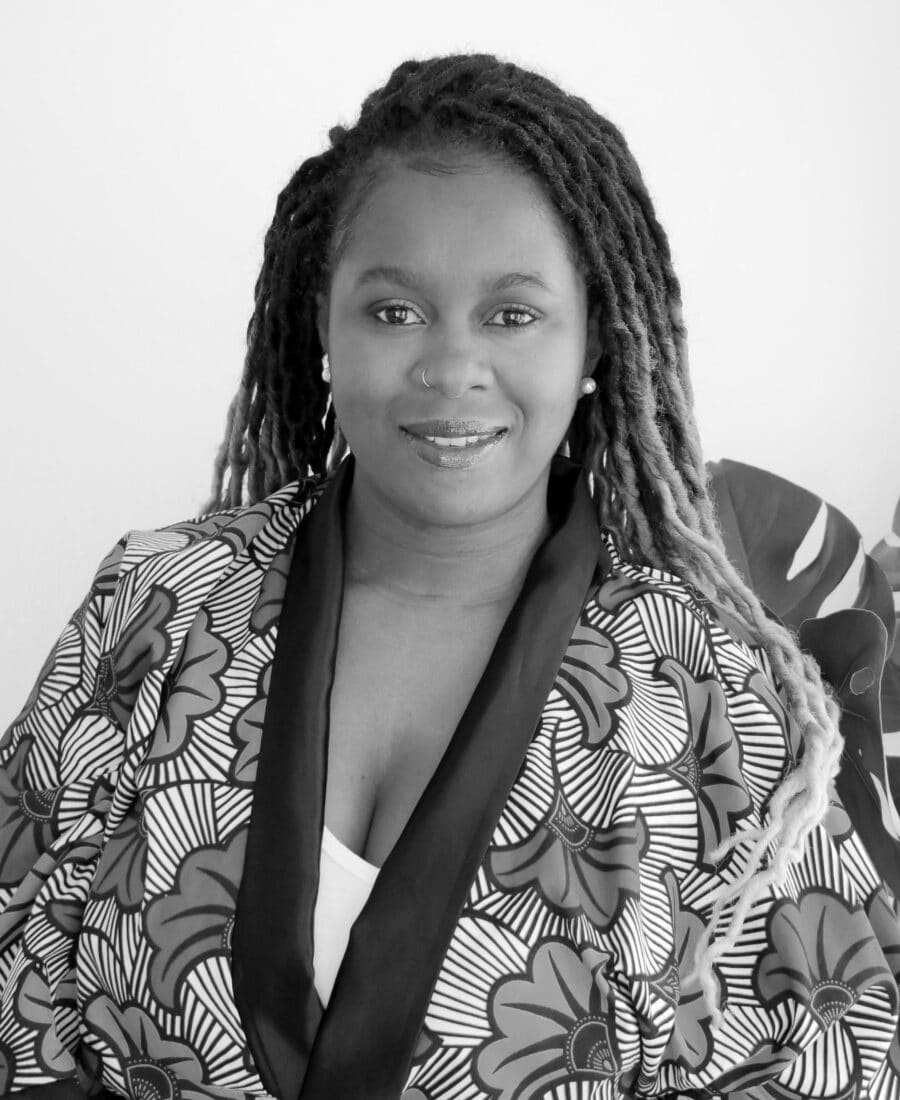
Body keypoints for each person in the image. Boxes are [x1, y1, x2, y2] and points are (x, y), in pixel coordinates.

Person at [1, 52, 898, 1100]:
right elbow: (21, 992)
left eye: (512, 313)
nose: (450, 367)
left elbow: (827, 1062)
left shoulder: (712, 696)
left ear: (596, 340)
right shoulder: (155, 607)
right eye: (393, 311)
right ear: (322, 327)